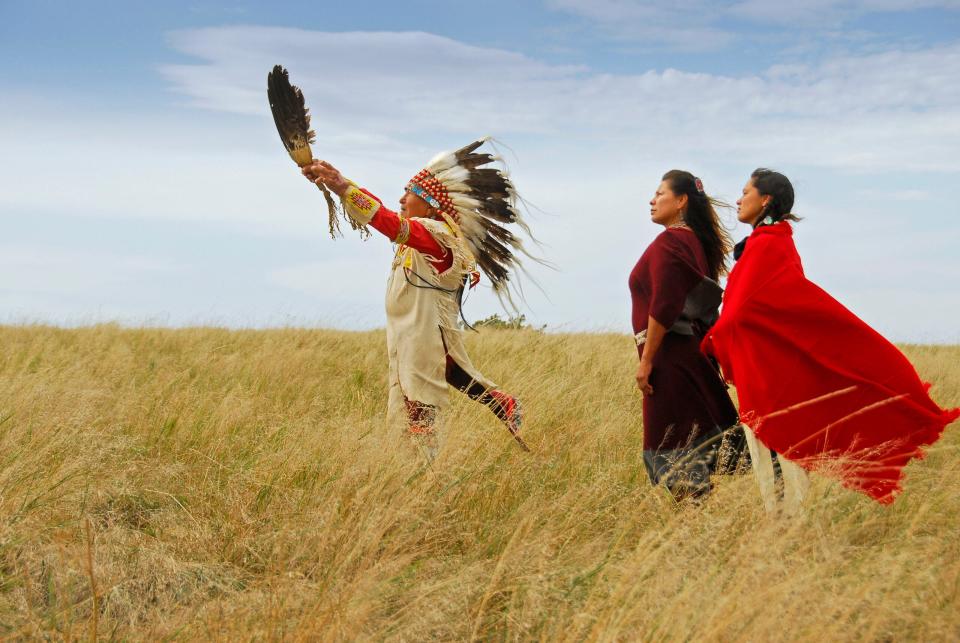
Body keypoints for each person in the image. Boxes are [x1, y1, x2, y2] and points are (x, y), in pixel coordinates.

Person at [702, 169, 959, 506]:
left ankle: (786, 535)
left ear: (765, 200)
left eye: (745, 191)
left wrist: (710, 343)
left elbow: (741, 312)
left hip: (768, 377)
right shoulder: (774, 243)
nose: (738, 199)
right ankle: (787, 532)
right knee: (782, 457)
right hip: (766, 371)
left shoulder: (767, 246)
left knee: (778, 459)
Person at [300, 139, 533, 459]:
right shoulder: (423, 234)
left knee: (418, 400)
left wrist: (342, 187)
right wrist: (340, 180)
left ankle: (423, 471)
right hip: (412, 333)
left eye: (408, 194)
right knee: (446, 376)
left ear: (430, 205)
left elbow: (388, 222)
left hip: (424, 334)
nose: (401, 199)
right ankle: (502, 406)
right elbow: (382, 212)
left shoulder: (435, 234)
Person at [630, 170, 745, 501]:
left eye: (660, 194)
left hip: (669, 358)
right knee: (689, 446)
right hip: (688, 356)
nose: (652, 200)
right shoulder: (694, 243)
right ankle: (698, 529)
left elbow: (664, 305)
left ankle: (693, 531)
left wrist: (647, 361)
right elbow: (706, 311)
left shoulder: (671, 242)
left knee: (672, 449)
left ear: (681, 202)